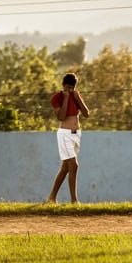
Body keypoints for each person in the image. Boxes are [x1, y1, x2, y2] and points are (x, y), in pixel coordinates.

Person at [46, 73, 89, 204]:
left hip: (76, 134)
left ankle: (51, 198)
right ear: (63, 86)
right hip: (64, 134)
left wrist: (78, 99)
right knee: (74, 165)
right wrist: (65, 98)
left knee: (65, 168)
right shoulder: (57, 97)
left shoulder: (76, 96)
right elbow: (61, 116)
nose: (69, 90)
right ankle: (74, 200)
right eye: (67, 88)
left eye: (72, 88)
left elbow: (86, 114)